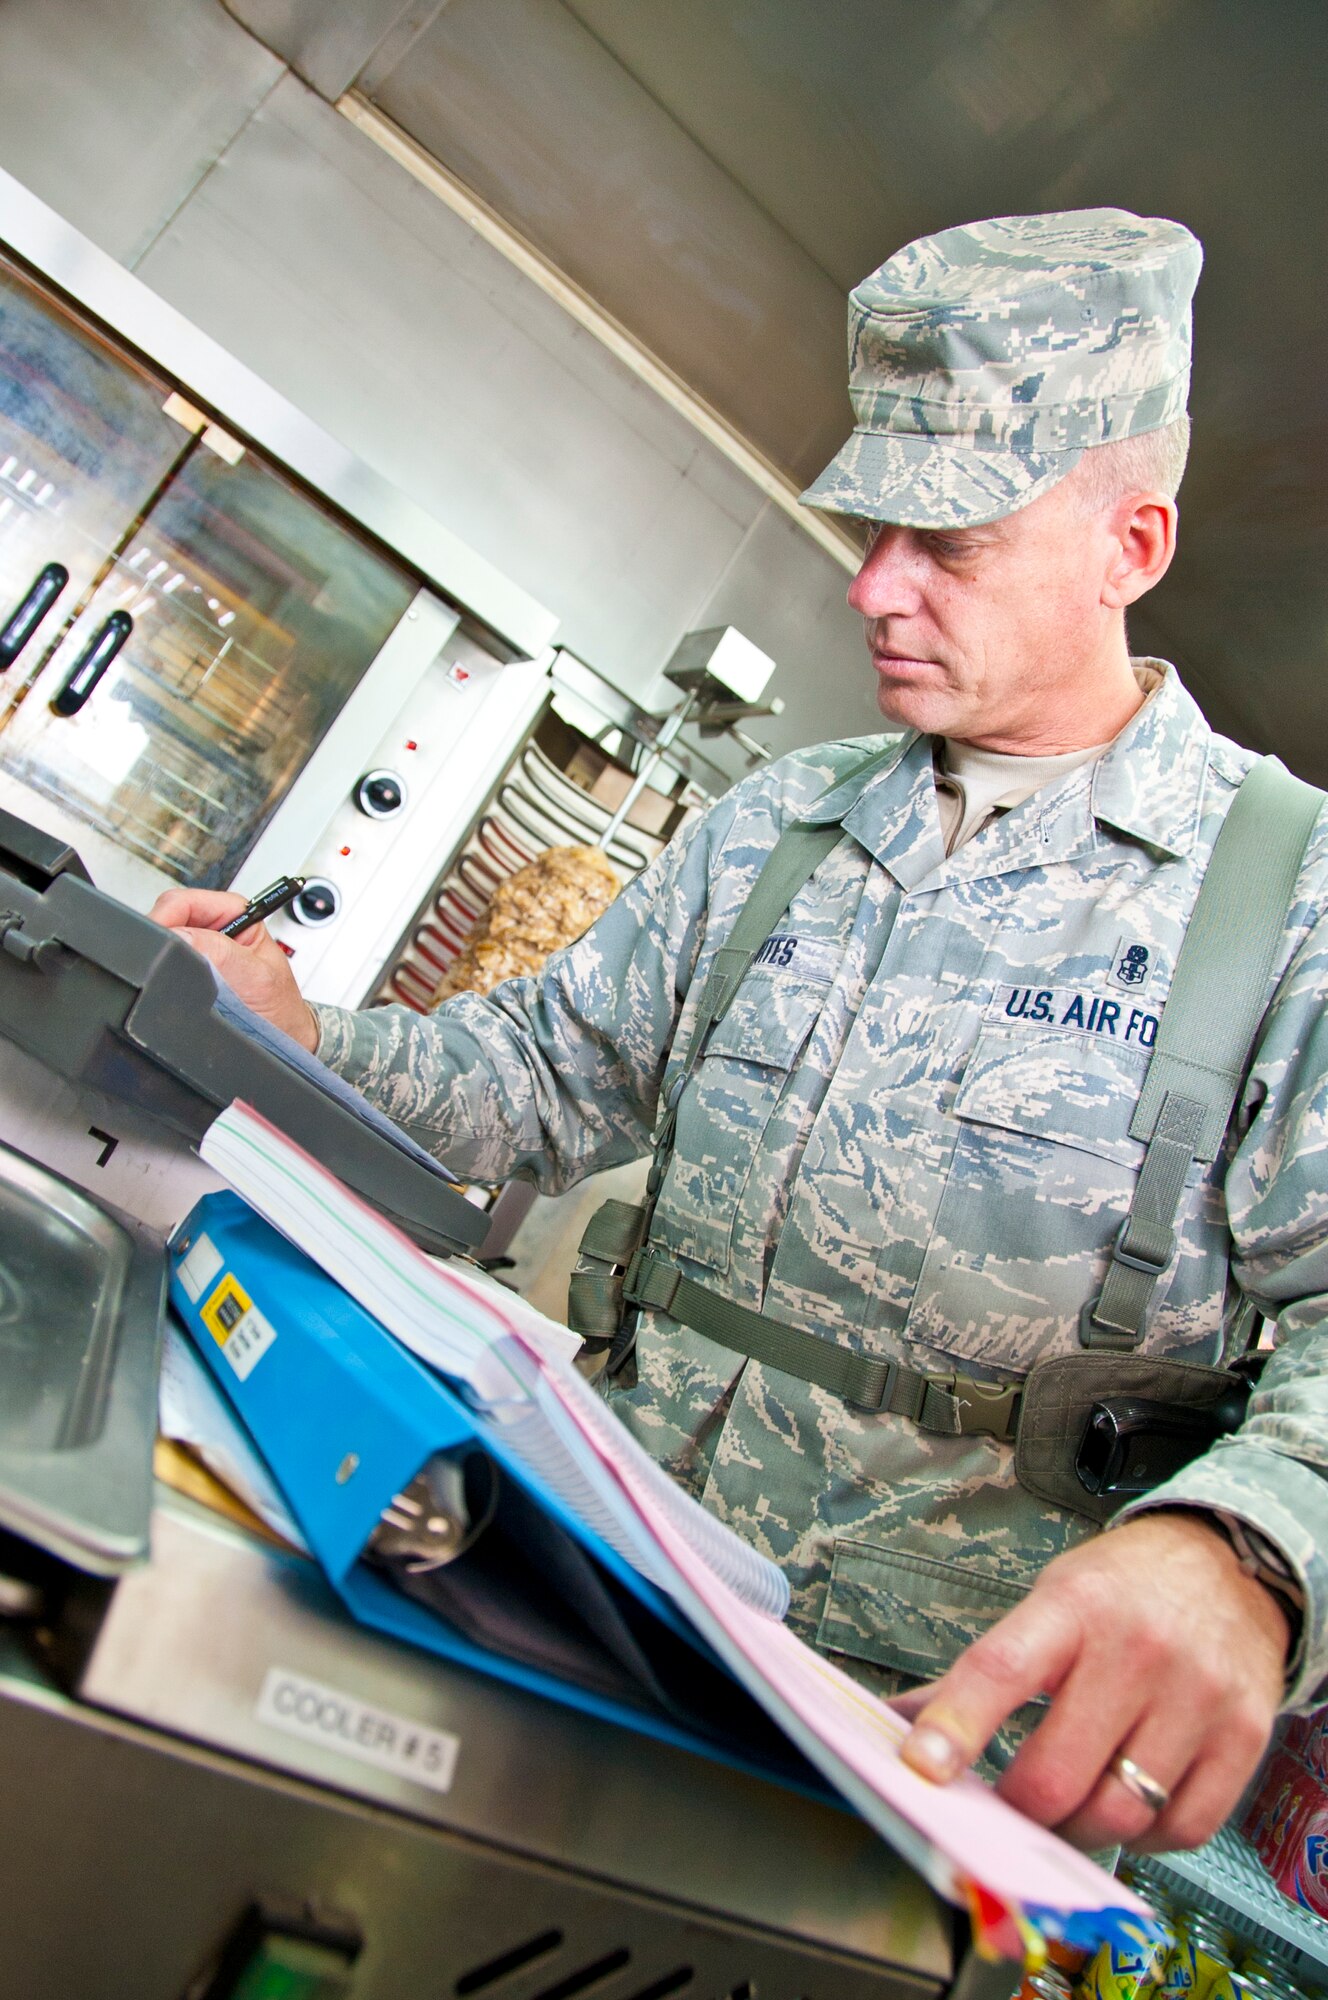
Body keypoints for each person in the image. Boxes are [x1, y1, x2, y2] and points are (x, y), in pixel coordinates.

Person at [154, 209, 1328, 1858]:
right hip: (592, 1604)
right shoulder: (781, 824)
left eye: (952, 542)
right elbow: (532, 1083)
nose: (872, 585)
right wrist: (295, 1033)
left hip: (927, 1764)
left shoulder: (1289, 906)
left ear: (1132, 545)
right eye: (869, 527)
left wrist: (1247, 1549)